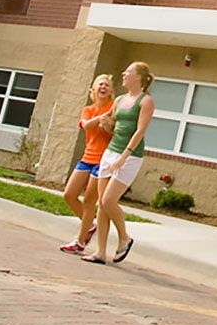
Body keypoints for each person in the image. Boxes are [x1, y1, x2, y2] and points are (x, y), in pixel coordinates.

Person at [82, 61, 153, 266]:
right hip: (110, 152)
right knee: (101, 205)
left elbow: (140, 131)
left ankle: (125, 237)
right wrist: (102, 124)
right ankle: (100, 252)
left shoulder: (145, 101)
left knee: (108, 201)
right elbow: (111, 123)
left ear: (138, 77)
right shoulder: (120, 99)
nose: (123, 74)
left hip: (129, 156)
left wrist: (124, 156)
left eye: (128, 72)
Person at [60, 73, 116, 254]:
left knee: (89, 201)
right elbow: (85, 125)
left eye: (107, 85)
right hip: (87, 158)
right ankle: (90, 226)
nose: (103, 87)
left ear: (111, 92)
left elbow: (114, 132)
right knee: (69, 194)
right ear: (93, 90)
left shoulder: (113, 109)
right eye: (100, 84)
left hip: (102, 161)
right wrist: (100, 120)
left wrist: (108, 126)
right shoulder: (89, 109)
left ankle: (80, 242)